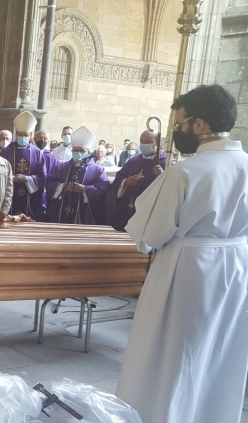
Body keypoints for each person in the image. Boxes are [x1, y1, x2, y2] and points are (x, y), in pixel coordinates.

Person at [116, 85, 248, 423]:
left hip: (189, 270)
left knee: (174, 353)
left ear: (199, 124)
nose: (178, 131)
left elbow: (149, 234)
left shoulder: (186, 171)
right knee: (220, 351)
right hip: (237, 269)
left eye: (180, 124)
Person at [46, 127, 109, 224]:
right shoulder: (61, 167)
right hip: (60, 212)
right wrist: (62, 187)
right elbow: (49, 182)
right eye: (75, 150)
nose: (78, 153)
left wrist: (84, 189)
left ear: (88, 152)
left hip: (85, 213)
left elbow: (102, 187)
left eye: (82, 151)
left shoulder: (98, 170)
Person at [109, 130, 166, 232]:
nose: (144, 144)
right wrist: (125, 182)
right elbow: (119, 177)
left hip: (149, 211)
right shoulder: (133, 161)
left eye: (148, 141)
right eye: (142, 141)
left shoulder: (165, 162)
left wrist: (162, 175)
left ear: (157, 143)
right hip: (127, 209)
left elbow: (172, 188)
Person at [1, 112, 46, 220]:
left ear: (30, 135)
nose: (23, 137)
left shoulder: (37, 152)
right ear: (16, 134)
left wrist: (27, 179)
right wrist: (12, 178)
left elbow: (42, 175)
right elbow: (0, 173)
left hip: (30, 196)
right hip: (10, 193)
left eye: (26, 135)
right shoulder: (7, 151)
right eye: (21, 135)